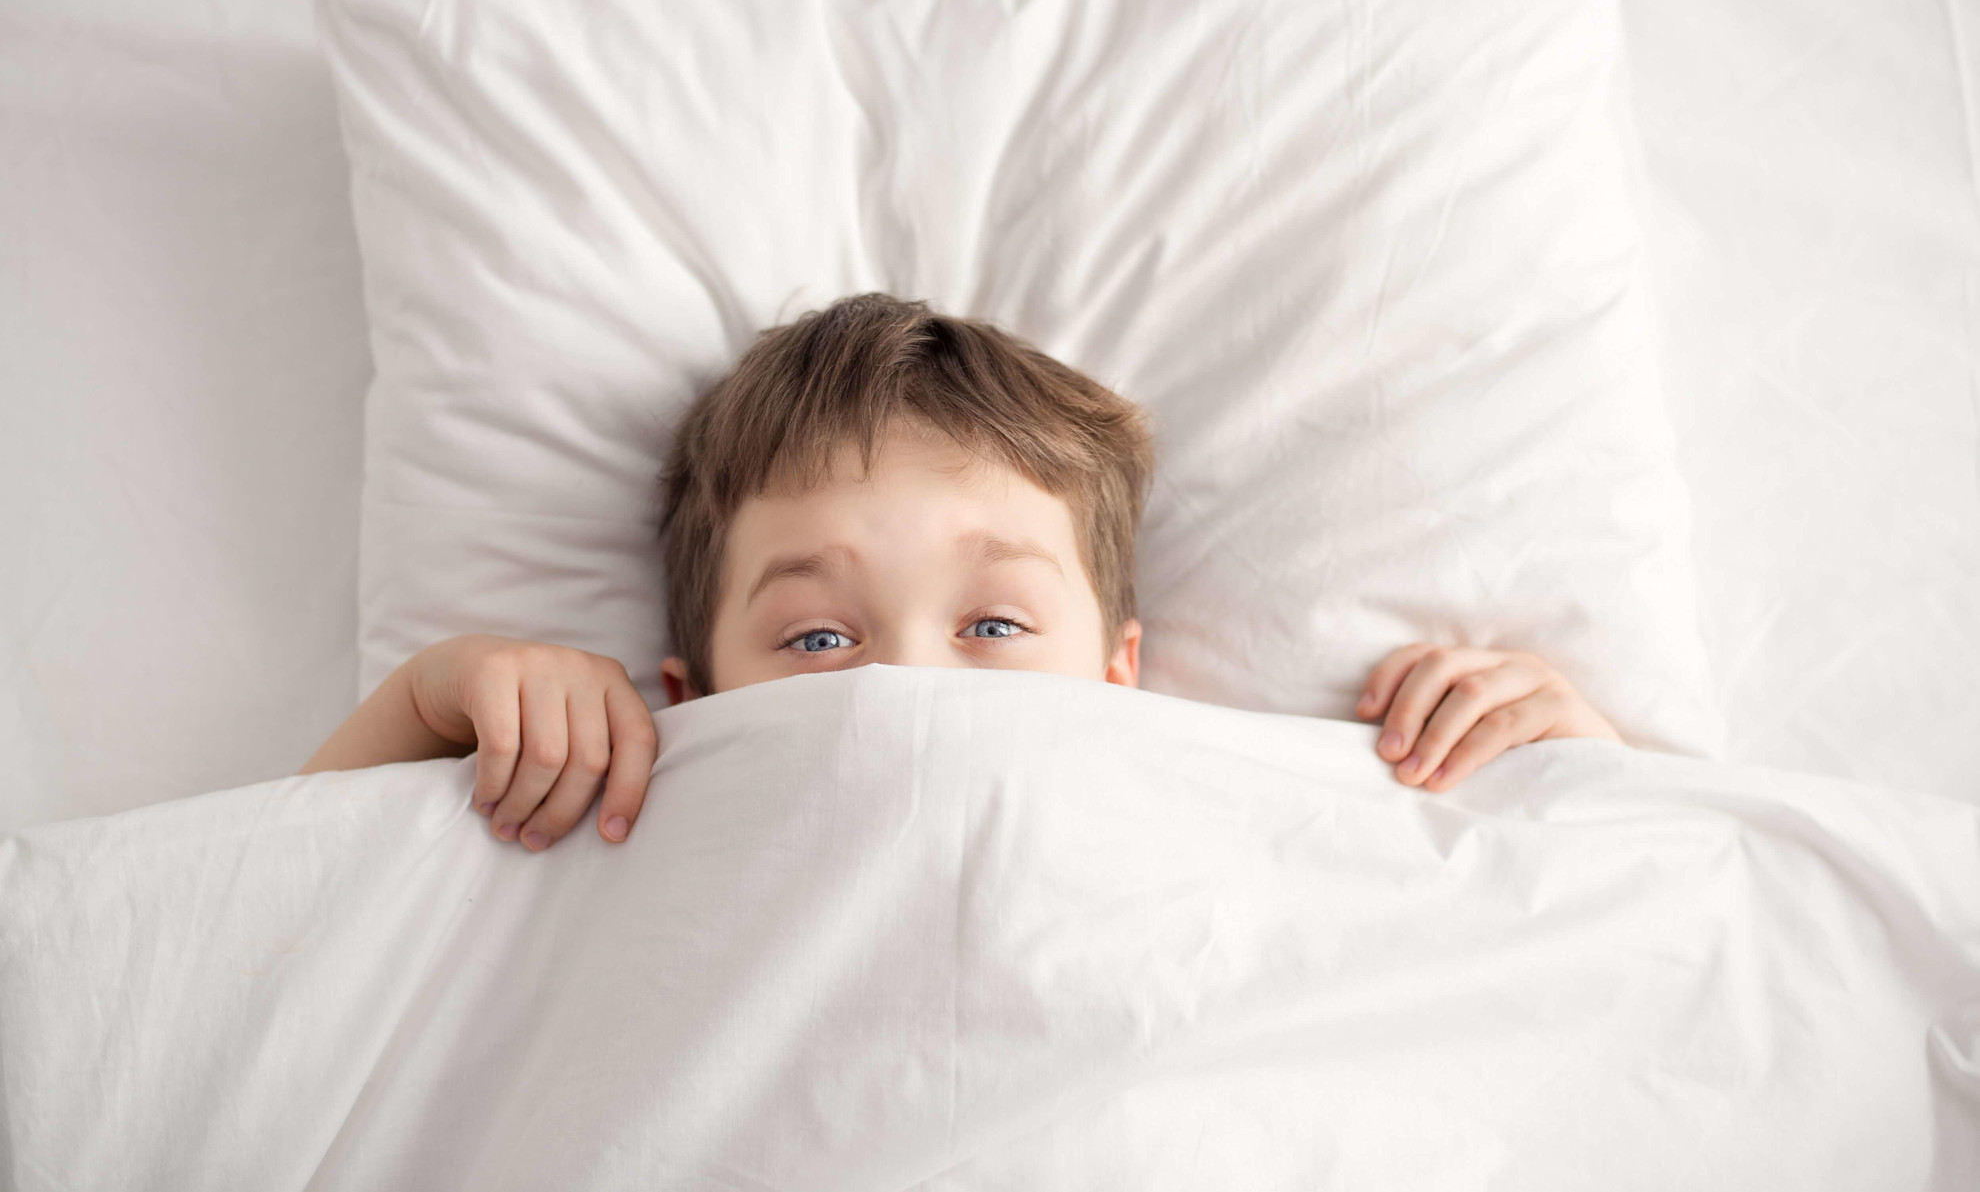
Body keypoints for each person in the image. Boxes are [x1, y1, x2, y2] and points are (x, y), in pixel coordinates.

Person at [301, 293, 1621, 851]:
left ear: (1121, 676)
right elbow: (260, 938)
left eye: (993, 618)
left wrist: (1580, 772)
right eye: (817, 640)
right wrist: (432, 701)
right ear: (688, 698)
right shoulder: (633, 804)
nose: (908, 686)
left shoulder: (1209, 801)